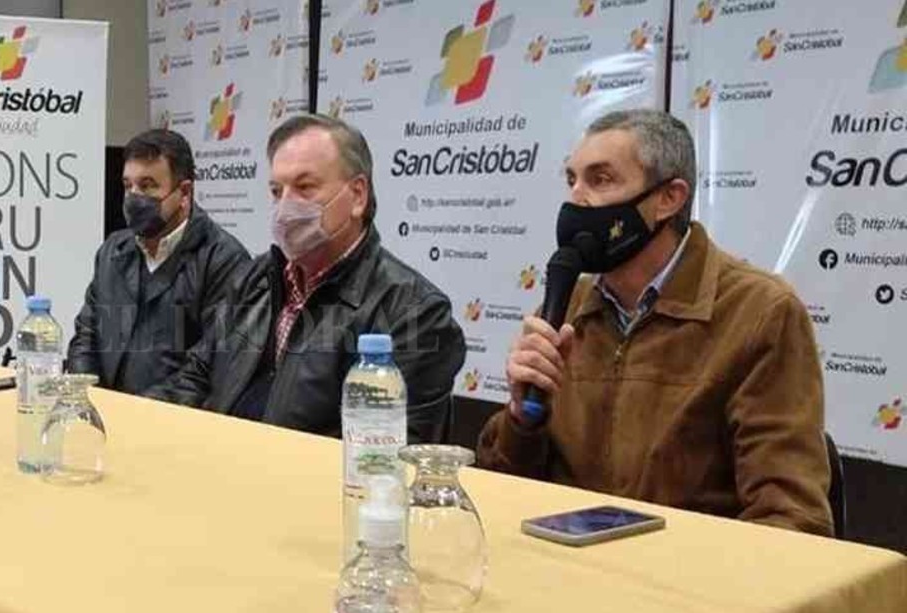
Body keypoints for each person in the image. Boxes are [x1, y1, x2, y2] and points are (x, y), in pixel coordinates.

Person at [477, 109, 832, 535]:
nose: (576, 199)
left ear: (669, 198)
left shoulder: (760, 312)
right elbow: (501, 492)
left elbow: (791, 518)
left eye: (600, 179)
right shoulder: (568, 305)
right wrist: (522, 419)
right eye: (571, 179)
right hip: (566, 561)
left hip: (690, 569)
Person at [148, 114, 465, 441]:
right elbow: (197, 375)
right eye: (276, 191)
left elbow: (387, 453)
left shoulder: (414, 311)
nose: (285, 208)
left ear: (357, 195)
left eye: (304, 187)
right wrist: (138, 420)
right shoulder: (254, 279)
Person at [66, 129, 249, 394]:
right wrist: (88, 395)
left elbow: (208, 370)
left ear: (184, 192)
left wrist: (135, 411)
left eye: (148, 185)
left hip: (172, 417)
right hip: (102, 410)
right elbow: (86, 335)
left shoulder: (224, 261)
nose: (134, 197)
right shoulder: (113, 250)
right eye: (128, 186)